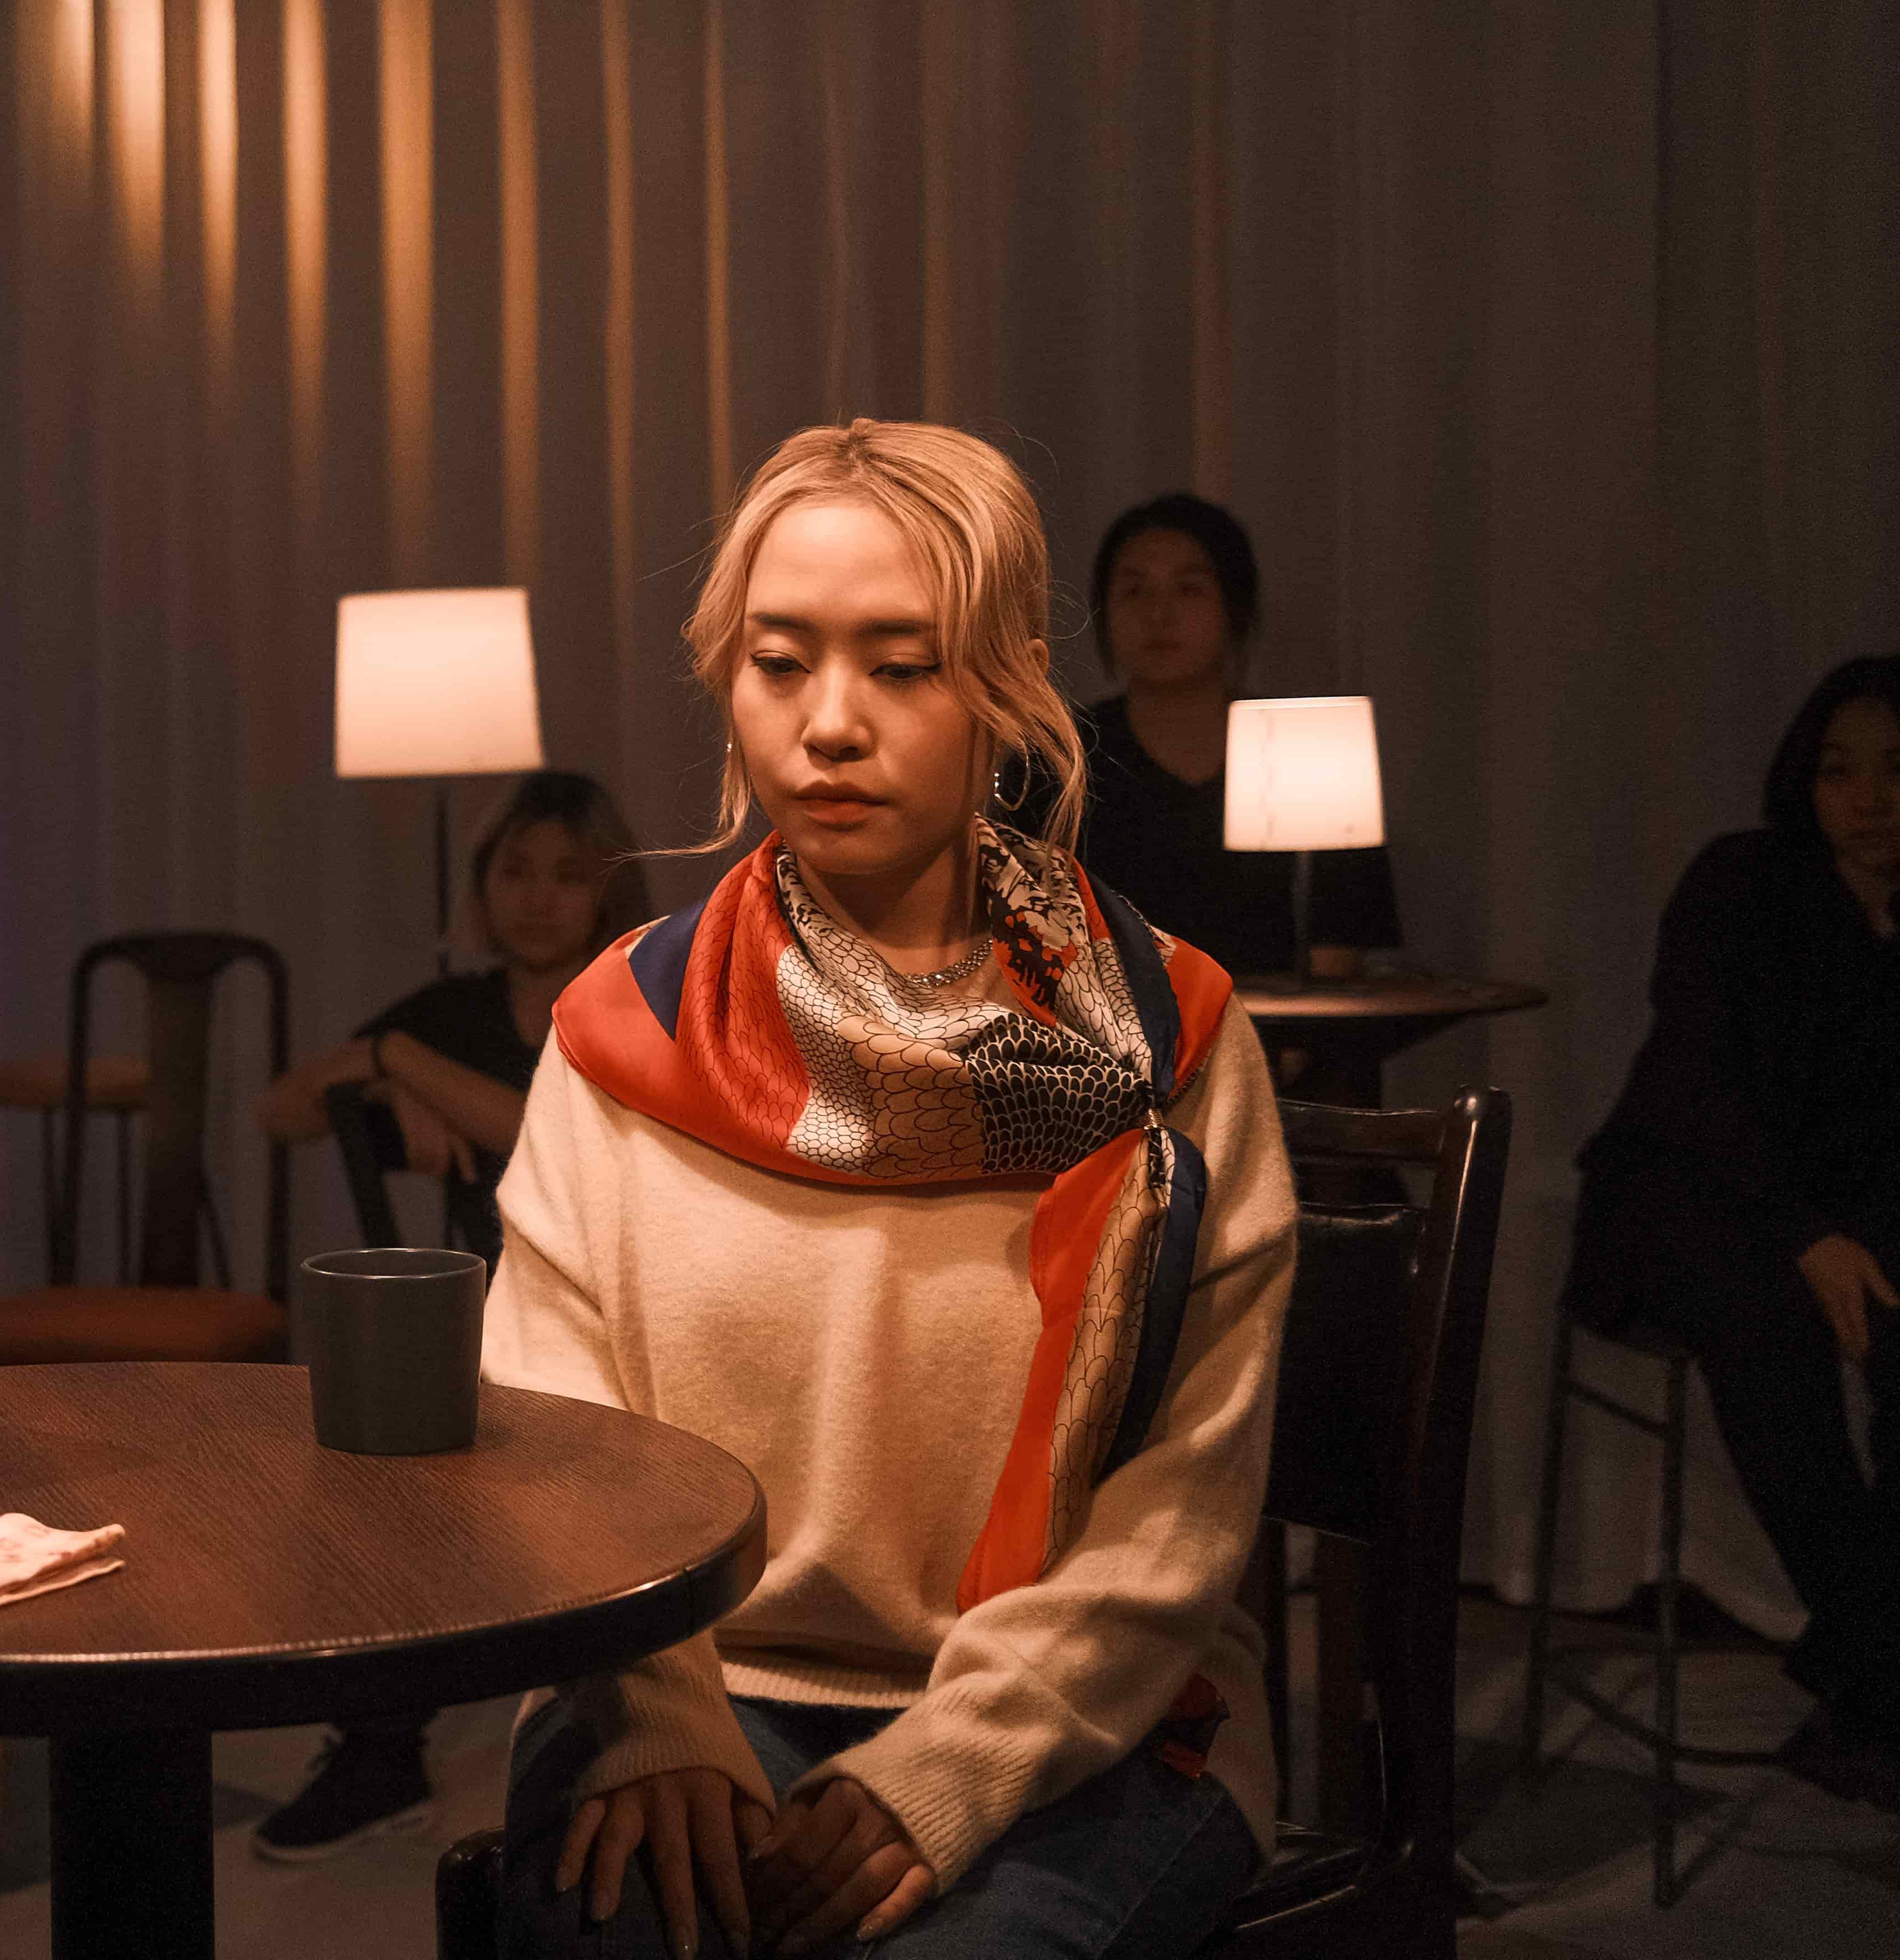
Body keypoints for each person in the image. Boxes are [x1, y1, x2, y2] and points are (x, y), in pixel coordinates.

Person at [489, 421, 1295, 1959]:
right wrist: (657, 1713)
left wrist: (945, 1773)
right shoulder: (629, 1030)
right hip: (681, 1679)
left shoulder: (1166, 1043)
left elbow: (1185, 1502)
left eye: (903, 666)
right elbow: (549, 1434)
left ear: (1008, 687)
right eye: (779, 662)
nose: (830, 723)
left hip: (1084, 1707)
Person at [1567, 654, 1900, 1871]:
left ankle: (1862, 1673)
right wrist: (1804, 1235)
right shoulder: (1741, 880)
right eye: (1839, 769)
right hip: (1690, 1194)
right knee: (1772, 1336)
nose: (1868, 798)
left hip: (1855, 1215)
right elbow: (1697, 1085)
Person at [246, 770, 652, 1861]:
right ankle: (380, 1750)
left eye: (567, 875)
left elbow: (546, 1134)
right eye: (514, 872)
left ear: (608, 890)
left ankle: (625, 1730)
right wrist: (381, 1082)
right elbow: (280, 1111)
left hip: (627, 1307)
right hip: (483, 1317)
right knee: (369, 1449)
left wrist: (400, 1065)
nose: (538, 898)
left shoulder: (634, 993)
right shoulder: (456, 1011)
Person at [1066, 493, 1400, 977]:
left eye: (1189, 589)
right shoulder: (1062, 759)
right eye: (1134, 591)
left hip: (1280, 1022)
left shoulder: (1308, 755)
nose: (1159, 615)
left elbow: (1340, 947)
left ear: (1234, 607)